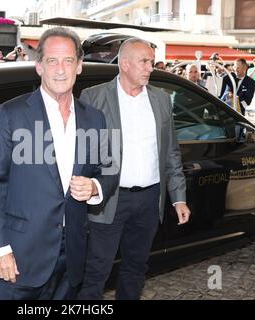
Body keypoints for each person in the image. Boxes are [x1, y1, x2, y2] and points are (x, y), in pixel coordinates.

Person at [0, 27, 117, 300]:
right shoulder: (11, 113)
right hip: (20, 252)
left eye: (68, 61)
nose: (60, 69)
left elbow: (108, 170)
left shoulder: (95, 118)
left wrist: (94, 187)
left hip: (73, 252)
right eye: (52, 61)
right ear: (39, 66)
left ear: (79, 66)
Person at [77, 38, 191, 300]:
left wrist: (178, 198)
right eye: (144, 61)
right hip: (108, 199)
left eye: (151, 61)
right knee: (96, 270)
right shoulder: (94, 97)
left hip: (149, 200)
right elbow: (81, 153)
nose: (150, 67)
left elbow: (171, 152)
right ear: (125, 64)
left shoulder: (161, 99)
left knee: (136, 268)